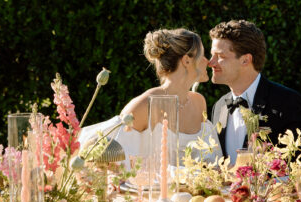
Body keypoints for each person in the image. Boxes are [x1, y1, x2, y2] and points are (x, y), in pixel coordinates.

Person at [79, 28, 221, 165]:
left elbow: (209, 160)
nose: (207, 61)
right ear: (187, 60)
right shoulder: (146, 103)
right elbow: (104, 155)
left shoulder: (199, 102)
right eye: (202, 54)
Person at [208, 19, 301, 164]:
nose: (211, 62)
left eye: (220, 56)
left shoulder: (287, 102)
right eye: (212, 55)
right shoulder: (219, 106)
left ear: (246, 60)